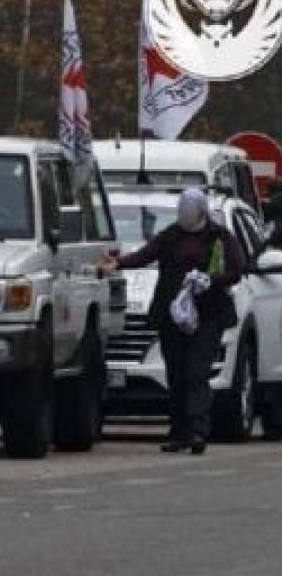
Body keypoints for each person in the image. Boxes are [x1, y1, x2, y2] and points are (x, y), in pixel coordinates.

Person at [100, 188, 244, 454]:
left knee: (195, 373)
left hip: (207, 316)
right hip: (172, 316)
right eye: (182, 210)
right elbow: (145, 255)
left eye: (189, 210)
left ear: (201, 212)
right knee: (176, 374)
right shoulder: (170, 236)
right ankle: (179, 432)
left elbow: (236, 270)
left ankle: (198, 431)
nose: (184, 215)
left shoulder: (220, 238)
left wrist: (210, 280)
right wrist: (118, 263)